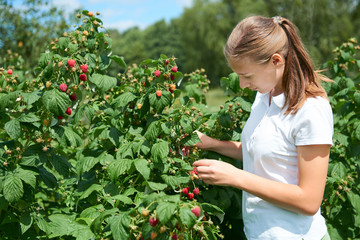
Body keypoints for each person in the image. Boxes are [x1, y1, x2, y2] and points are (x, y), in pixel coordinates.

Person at [192, 16, 333, 240]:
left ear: (276, 61)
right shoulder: (264, 95)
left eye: (247, 76)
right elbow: (263, 152)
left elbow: (309, 201)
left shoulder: (310, 110)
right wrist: (211, 144)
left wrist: (235, 177)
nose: (242, 84)